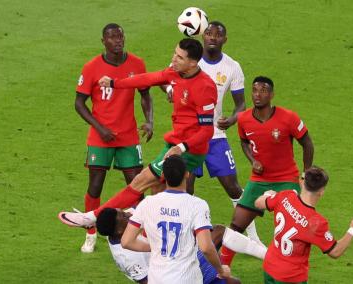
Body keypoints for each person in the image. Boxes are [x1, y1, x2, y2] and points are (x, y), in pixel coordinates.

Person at [58, 38, 217, 229]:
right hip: (175, 144)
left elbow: (207, 131)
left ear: (193, 63)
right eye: (174, 53)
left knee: (141, 180)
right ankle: (152, 240)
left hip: (190, 149)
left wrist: (181, 148)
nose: (173, 59)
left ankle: (92, 217)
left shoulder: (205, 87)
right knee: (157, 194)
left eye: (179, 57)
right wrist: (115, 83)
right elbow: (146, 78)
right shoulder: (175, 73)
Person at [165, 21, 261, 244]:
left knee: (232, 186)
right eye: (209, 33)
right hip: (187, 137)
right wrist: (170, 89)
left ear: (224, 40)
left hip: (215, 136)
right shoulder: (189, 61)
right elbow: (166, 79)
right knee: (185, 188)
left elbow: (241, 105)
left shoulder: (232, 67)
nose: (212, 37)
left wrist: (233, 119)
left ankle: (253, 237)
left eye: (218, 35)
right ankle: (186, 237)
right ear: (202, 35)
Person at [220, 76, 315, 266]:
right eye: (255, 90)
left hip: (287, 180)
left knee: (295, 226)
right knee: (236, 224)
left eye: (263, 91)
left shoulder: (288, 117)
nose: (258, 94)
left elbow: (307, 143)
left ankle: (293, 266)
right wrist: (253, 160)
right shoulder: (244, 118)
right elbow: (244, 141)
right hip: (259, 180)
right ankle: (222, 268)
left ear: (271, 95)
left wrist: (306, 174)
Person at [75, 23, 153, 253]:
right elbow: (79, 103)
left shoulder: (137, 64)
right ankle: (91, 232)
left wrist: (149, 120)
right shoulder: (92, 67)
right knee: (95, 186)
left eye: (120, 36)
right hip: (100, 138)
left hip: (128, 136)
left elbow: (146, 95)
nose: (117, 40)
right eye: (112, 37)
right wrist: (99, 128)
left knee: (138, 185)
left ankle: (145, 232)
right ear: (103, 41)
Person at [120, 155, 230, 283]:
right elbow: (205, 247)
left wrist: (155, 247)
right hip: (187, 278)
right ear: (187, 174)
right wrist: (221, 270)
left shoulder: (147, 203)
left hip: (157, 279)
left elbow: (126, 241)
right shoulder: (197, 205)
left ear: (163, 175)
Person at [255, 167, 353, 283]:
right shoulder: (315, 222)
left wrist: (268, 195)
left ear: (302, 182)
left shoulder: (285, 196)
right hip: (291, 277)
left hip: (269, 267)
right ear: (321, 192)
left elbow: (258, 203)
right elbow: (335, 252)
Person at [96, 207, 265, 283]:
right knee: (218, 233)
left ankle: (268, 256)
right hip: (178, 275)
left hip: (180, 258)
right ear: (118, 232)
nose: (128, 214)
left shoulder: (120, 229)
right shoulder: (129, 258)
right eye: (124, 217)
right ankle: (270, 256)